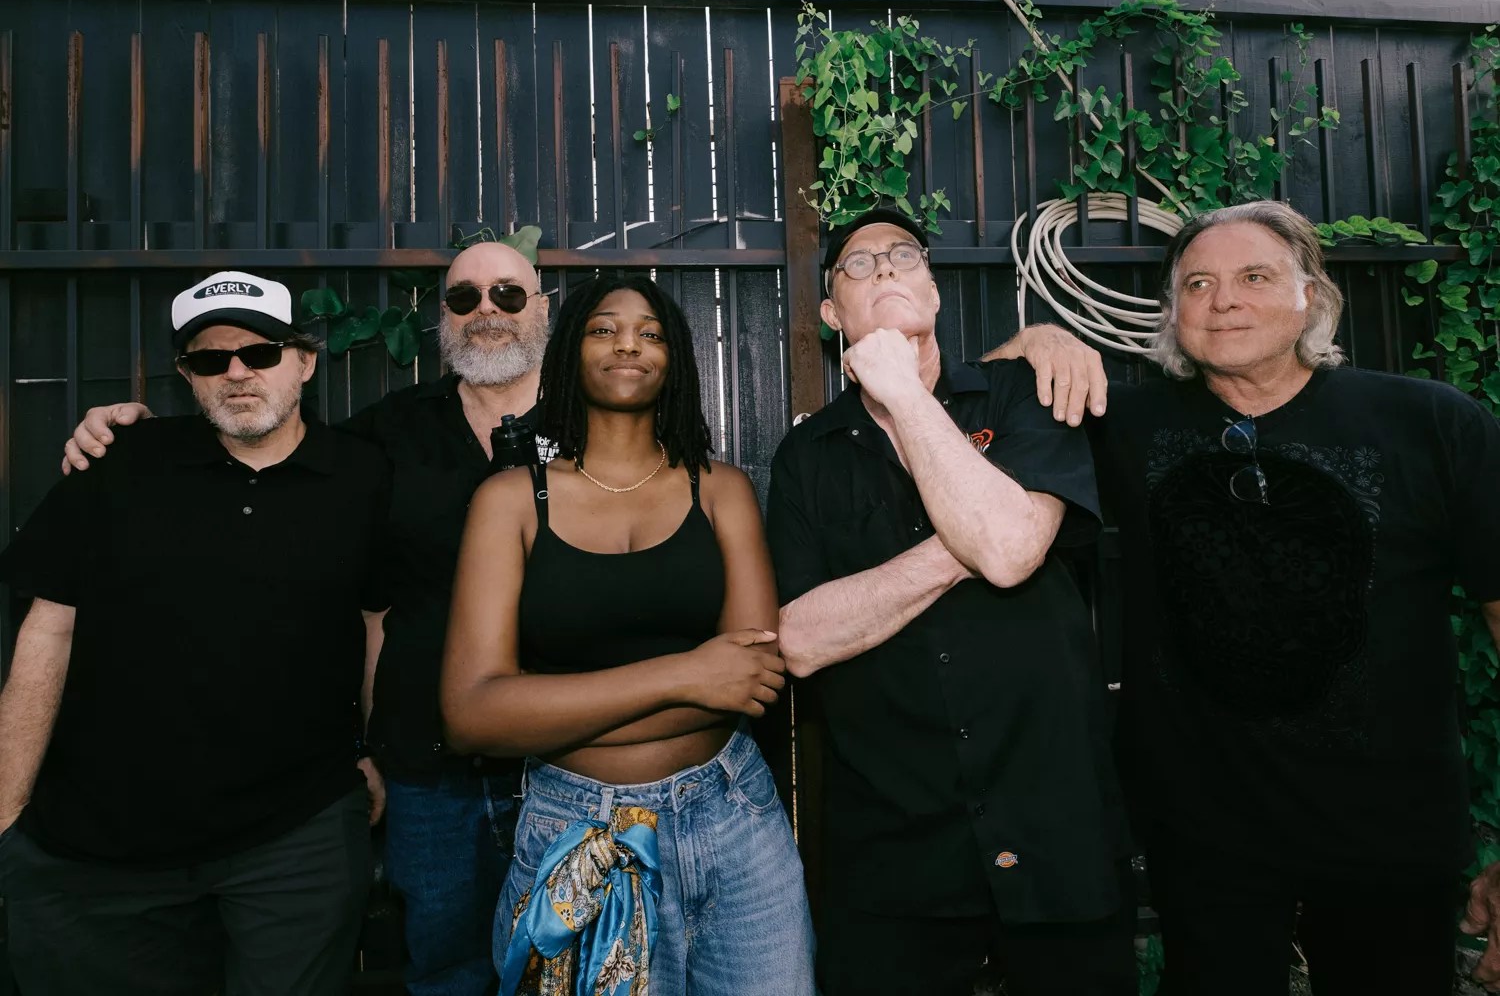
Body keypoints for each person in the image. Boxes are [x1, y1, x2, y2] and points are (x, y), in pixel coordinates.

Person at [994, 200, 1500, 994]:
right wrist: (1032, 344)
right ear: (1173, 314)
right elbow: (974, 418)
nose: (1223, 299)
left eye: (1253, 276)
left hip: (1390, 831)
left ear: (1312, 297)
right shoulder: (1116, 423)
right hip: (1204, 837)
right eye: (1197, 283)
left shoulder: (1432, 423)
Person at [53, 241, 552, 996]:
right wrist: (129, 432)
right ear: (441, 322)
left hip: (574, 759)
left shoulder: (606, 423)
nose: (485, 310)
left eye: (508, 295)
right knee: (449, 972)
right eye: (462, 298)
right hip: (431, 769)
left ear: (542, 309)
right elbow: (269, 460)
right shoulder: (382, 437)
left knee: (587, 965)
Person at [766, 208, 1137, 996]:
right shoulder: (808, 456)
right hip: (899, 849)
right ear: (832, 315)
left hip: (1051, 824)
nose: (886, 270)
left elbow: (1007, 554)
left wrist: (904, 391)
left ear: (934, 290)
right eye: (858, 266)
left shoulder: (1024, 394)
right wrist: (975, 536)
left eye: (903, 256)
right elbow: (800, 638)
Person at [0, 271, 389, 995]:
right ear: (188, 377)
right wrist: (5, 813)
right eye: (211, 360)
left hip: (294, 836)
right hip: (99, 849)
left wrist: (375, 752)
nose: (236, 372)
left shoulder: (362, 477)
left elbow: (376, 626)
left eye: (259, 353)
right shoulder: (117, 463)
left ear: (304, 362)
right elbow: (48, 630)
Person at [441, 273, 816, 996]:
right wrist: (683, 675)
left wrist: (545, 715)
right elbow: (471, 715)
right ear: (570, 353)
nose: (628, 346)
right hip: (573, 830)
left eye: (650, 334)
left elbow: (749, 679)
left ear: (674, 359)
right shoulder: (511, 500)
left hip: (733, 820)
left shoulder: (722, 489)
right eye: (605, 329)